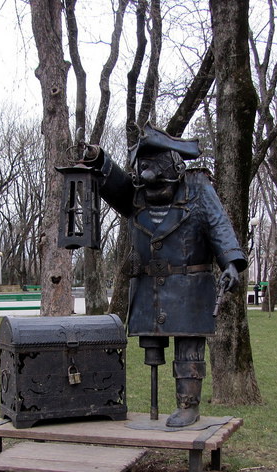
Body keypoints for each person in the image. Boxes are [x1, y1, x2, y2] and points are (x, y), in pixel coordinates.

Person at [83, 123, 248, 427]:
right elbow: (113, 181)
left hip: (190, 288)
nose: (152, 184)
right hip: (150, 289)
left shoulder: (198, 188)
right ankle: (160, 406)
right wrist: (96, 158)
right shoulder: (134, 195)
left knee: (189, 348)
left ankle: (188, 405)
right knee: (152, 349)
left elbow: (219, 227)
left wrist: (231, 264)